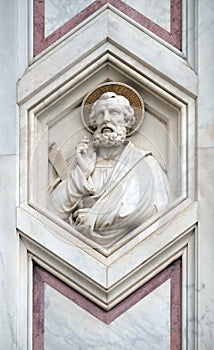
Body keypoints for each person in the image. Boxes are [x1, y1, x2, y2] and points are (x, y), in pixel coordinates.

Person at [50, 89, 171, 248]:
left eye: (114, 113)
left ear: (126, 121)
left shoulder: (146, 163)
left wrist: (96, 218)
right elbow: (54, 210)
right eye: (101, 114)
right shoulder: (81, 159)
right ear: (94, 121)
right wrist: (82, 174)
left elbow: (155, 213)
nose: (106, 119)